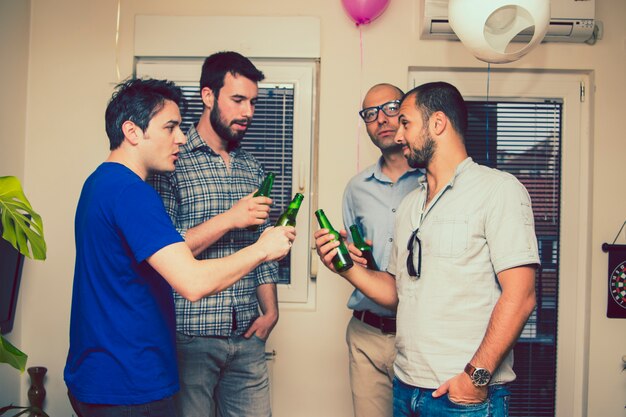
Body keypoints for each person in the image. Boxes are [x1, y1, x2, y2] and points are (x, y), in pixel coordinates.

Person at [64, 78, 295, 417]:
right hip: (129, 383)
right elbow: (193, 282)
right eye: (170, 127)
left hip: (97, 376)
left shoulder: (98, 182)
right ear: (132, 131)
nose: (181, 137)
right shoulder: (133, 193)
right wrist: (263, 247)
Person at [315, 81, 539, 416]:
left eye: (405, 123)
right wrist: (346, 267)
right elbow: (397, 291)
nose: (398, 135)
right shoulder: (410, 205)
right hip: (406, 388)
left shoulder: (499, 191)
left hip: (461, 395)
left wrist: (475, 378)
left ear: (437, 123)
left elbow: (521, 296)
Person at [149, 51, 278, 417]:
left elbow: (261, 247)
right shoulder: (171, 161)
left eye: (252, 102)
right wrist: (229, 218)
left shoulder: (252, 168)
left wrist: (270, 310)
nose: (248, 112)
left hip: (248, 337)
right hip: (190, 336)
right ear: (208, 96)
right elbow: (165, 249)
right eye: (238, 100)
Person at [342, 83, 422, 417]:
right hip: (367, 334)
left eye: (390, 108)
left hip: (418, 331)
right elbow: (351, 251)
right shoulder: (356, 188)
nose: (382, 119)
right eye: (370, 114)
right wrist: (347, 253)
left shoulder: (431, 180)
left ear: (406, 115)